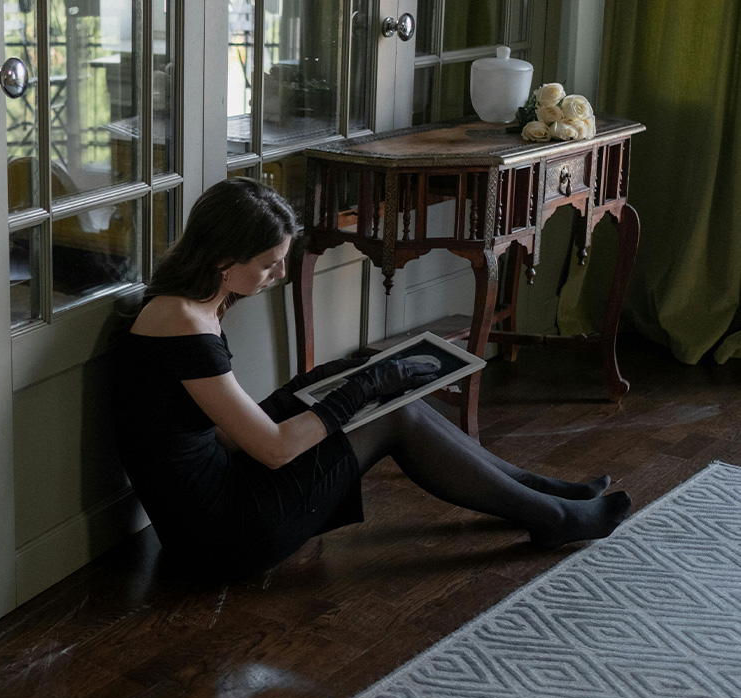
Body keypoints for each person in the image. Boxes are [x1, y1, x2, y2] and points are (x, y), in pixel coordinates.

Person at [114, 178, 631, 578]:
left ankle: (540, 492)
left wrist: (337, 379)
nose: (282, 275)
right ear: (225, 260)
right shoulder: (182, 322)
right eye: (271, 265)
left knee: (380, 389)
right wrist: (359, 390)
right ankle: (553, 518)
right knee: (393, 412)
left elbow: (229, 431)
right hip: (222, 535)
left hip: (222, 497)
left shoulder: (192, 306)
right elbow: (269, 449)